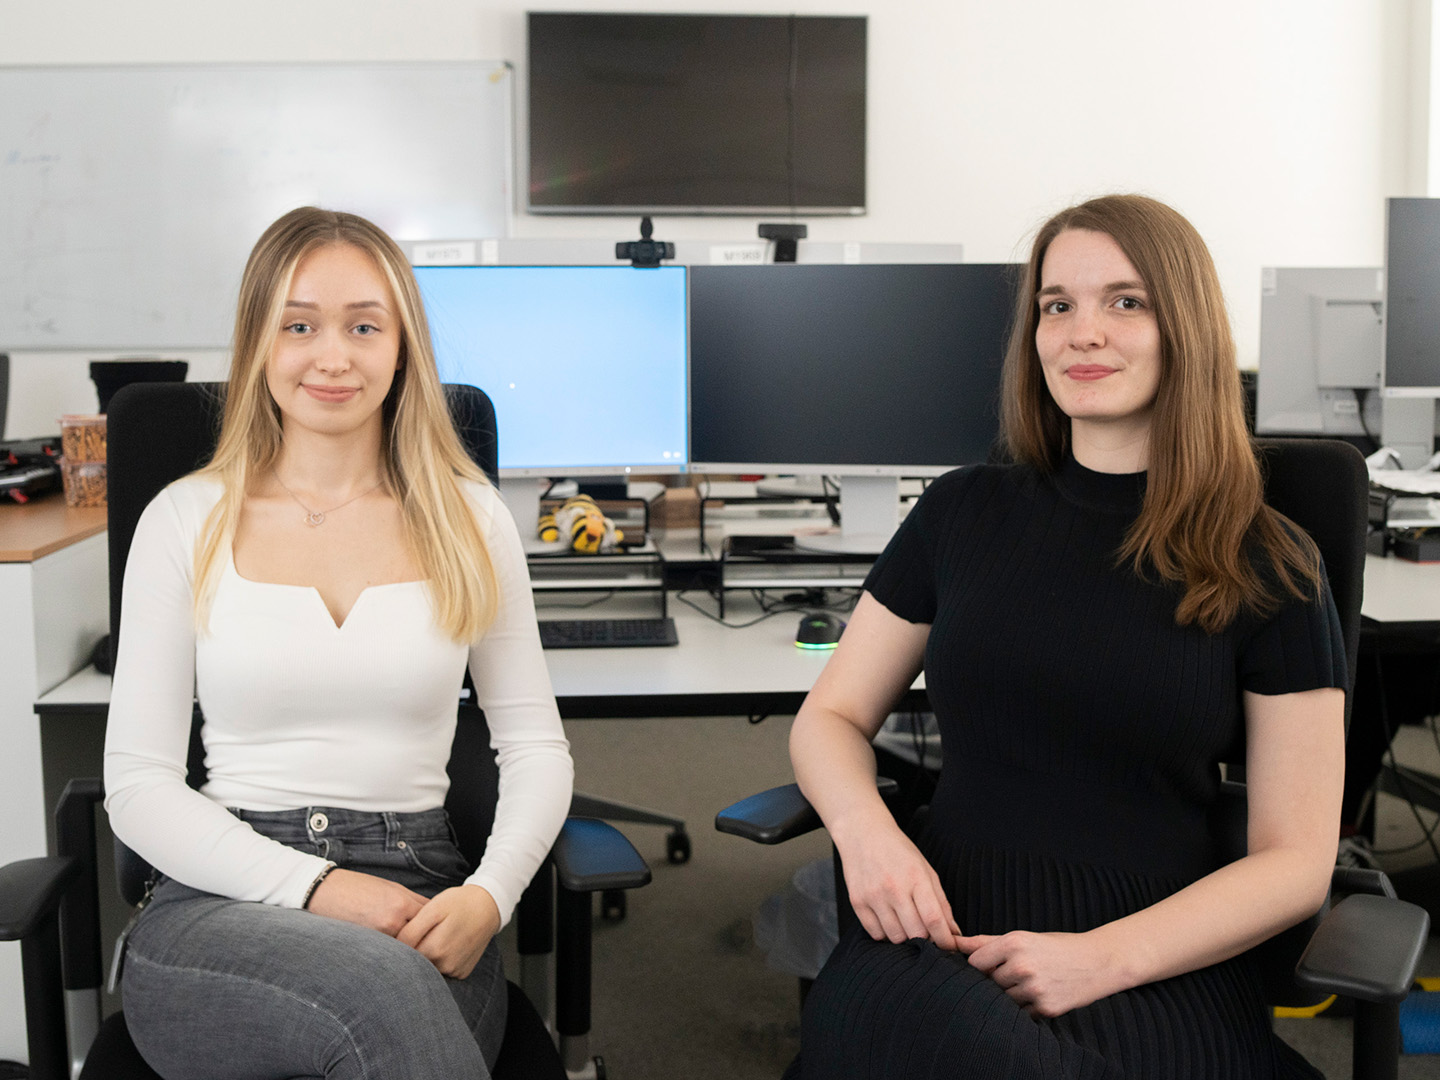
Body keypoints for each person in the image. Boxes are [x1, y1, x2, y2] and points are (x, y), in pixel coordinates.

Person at [787, 194, 1346, 1079]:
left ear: (1185, 328)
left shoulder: (1269, 562)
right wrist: (868, 832)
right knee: (910, 1039)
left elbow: (1297, 862)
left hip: (1158, 949)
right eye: (1058, 305)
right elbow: (830, 716)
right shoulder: (960, 512)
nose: (1082, 332)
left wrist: (1104, 957)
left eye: (1126, 301)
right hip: (943, 926)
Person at [103, 207, 573, 1079]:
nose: (333, 356)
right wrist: (318, 887)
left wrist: (490, 896)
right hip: (220, 895)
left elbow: (536, 746)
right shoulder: (185, 520)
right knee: (383, 1002)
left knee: (385, 1008)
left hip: (421, 890)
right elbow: (136, 787)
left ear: (402, 347)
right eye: (299, 326)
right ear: (258, 345)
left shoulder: (468, 519)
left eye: (364, 325)